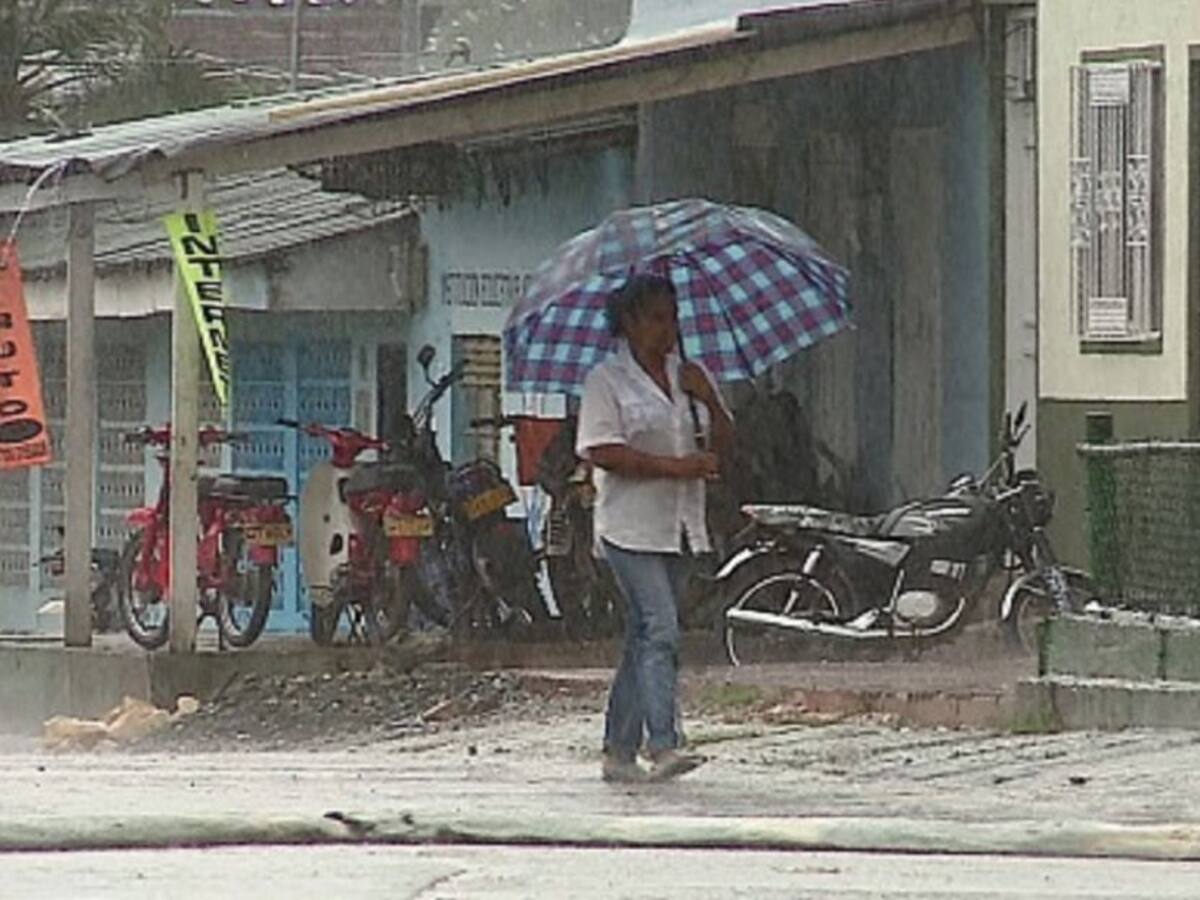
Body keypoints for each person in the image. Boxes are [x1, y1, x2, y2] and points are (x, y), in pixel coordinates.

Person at [576, 273, 734, 783]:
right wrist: (673, 468)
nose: (667, 330)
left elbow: (725, 445)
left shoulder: (687, 376)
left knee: (642, 635)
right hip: (628, 527)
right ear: (629, 322)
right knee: (662, 627)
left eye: (673, 319)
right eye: (655, 319)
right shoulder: (607, 381)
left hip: (681, 524)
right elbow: (602, 450)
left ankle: (618, 750)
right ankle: (663, 743)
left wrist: (708, 399)